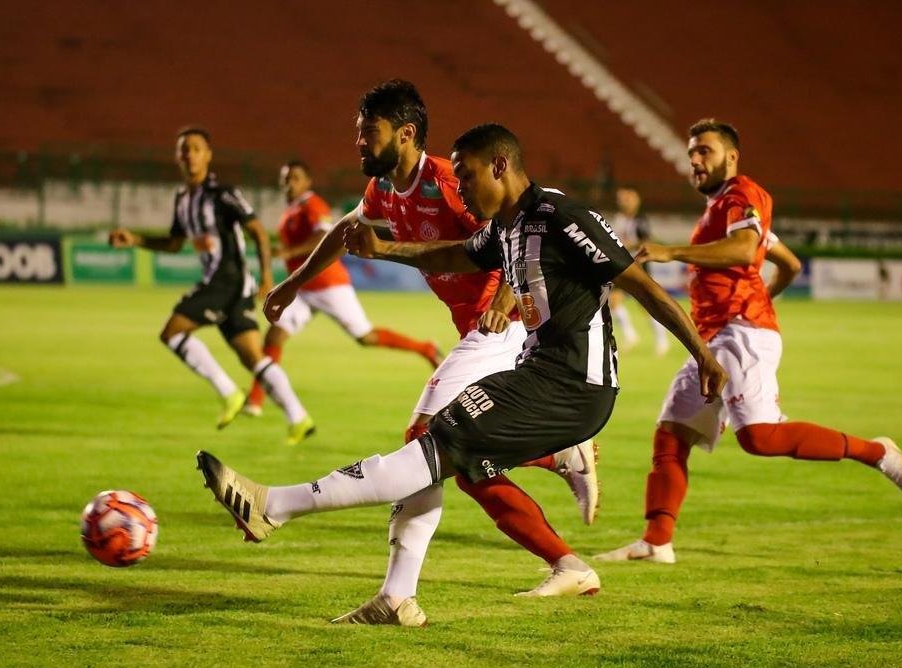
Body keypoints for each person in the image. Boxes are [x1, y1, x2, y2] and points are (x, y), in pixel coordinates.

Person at [197, 122, 728, 624]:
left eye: (468, 174)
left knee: (436, 443)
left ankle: (277, 506)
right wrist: (384, 249)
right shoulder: (507, 227)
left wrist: (703, 356)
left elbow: (646, 289)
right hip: (535, 375)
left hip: (574, 386)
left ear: (500, 166)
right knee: (456, 460)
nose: (463, 188)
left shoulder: (563, 217)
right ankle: (399, 595)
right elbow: (450, 253)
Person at [260, 82, 603, 621]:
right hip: (475, 330)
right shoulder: (382, 190)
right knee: (468, 466)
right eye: (357, 131)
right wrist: (293, 285)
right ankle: (563, 545)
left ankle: (395, 593)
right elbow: (346, 230)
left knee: (424, 440)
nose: (358, 141)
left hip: (502, 328)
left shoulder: (448, 181)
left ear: (405, 134)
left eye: (367, 131)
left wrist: (505, 299)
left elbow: (510, 233)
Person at [595, 119, 902, 565]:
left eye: (705, 151)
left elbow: (745, 251)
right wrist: (761, 298)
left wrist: (676, 254)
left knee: (760, 437)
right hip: (715, 336)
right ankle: (656, 541)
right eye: (692, 152)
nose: (695, 160)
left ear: (731, 157)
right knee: (672, 433)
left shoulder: (743, 195)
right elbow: (786, 264)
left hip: (739, 334)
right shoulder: (723, 209)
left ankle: (878, 453)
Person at [109, 127, 312, 443]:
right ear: (178, 157)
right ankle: (299, 417)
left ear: (208, 155)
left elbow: (258, 231)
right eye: (184, 149)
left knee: (172, 332)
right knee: (252, 357)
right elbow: (175, 244)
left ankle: (230, 392)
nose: (190, 154)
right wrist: (134, 239)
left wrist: (267, 277)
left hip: (226, 281)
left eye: (196, 148)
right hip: (228, 287)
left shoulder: (221, 193)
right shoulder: (182, 199)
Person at [242, 159, 442, 420]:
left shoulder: (313, 205)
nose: (289, 184)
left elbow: (323, 236)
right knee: (274, 337)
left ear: (307, 182)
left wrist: (289, 252)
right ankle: (255, 400)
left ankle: (426, 348)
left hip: (328, 285)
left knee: (365, 337)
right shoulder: (290, 210)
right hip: (303, 290)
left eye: (295, 178)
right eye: (285, 179)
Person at [608, 187, 669, 356]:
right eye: (621, 199)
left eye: (627, 199)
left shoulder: (640, 220)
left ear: (636, 202)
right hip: (622, 265)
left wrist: (629, 245)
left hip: (639, 265)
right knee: (613, 301)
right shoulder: (619, 219)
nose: (623, 202)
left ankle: (662, 340)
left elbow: (646, 241)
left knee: (646, 306)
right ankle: (631, 335)